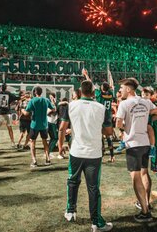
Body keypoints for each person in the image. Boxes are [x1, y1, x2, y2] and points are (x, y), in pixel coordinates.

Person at [61, 80, 113, 232]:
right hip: (94, 154)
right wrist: (97, 130)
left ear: (80, 91)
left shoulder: (71, 105)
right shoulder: (102, 108)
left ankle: (70, 212)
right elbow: (109, 132)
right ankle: (96, 222)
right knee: (93, 188)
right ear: (93, 92)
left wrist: (59, 147)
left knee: (72, 181)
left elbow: (62, 128)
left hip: (76, 152)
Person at [115, 78, 157, 223]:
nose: (121, 90)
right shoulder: (145, 101)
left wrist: (127, 127)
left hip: (133, 144)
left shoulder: (124, 103)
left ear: (129, 89)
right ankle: (145, 203)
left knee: (136, 178)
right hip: (145, 143)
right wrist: (144, 119)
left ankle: (145, 211)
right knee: (144, 172)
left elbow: (118, 124)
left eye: (122, 88)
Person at [82, 68, 115, 163]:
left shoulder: (99, 94)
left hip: (100, 117)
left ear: (101, 88)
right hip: (108, 116)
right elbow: (112, 86)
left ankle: (101, 155)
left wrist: (86, 75)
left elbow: (90, 84)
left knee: (100, 136)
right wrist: (110, 76)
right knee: (109, 137)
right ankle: (112, 156)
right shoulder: (110, 94)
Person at [22, 86, 55, 167]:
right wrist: (47, 113)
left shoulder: (32, 101)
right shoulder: (46, 100)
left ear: (35, 92)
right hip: (44, 125)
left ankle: (34, 161)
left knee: (32, 142)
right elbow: (53, 109)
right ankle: (48, 160)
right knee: (45, 142)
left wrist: (22, 110)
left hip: (35, 125)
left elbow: (26, 113)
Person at [0, 83, 18, 150]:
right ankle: (13, 142)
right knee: (9, 128)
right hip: (7, 113)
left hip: (0, 113)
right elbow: (16, 98)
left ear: (0, 88)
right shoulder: (8, 93)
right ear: (6, 88)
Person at [47, 93, 59, 159]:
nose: (51, 99)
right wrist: (53, 109)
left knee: (53, 138)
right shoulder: (49, 104)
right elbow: (48, 113)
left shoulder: (55, 104)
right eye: (50, 97)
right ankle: (48, 152)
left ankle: (48, 152)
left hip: (53, 122)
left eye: (52, 97)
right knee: (55, 138)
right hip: (50, 122)